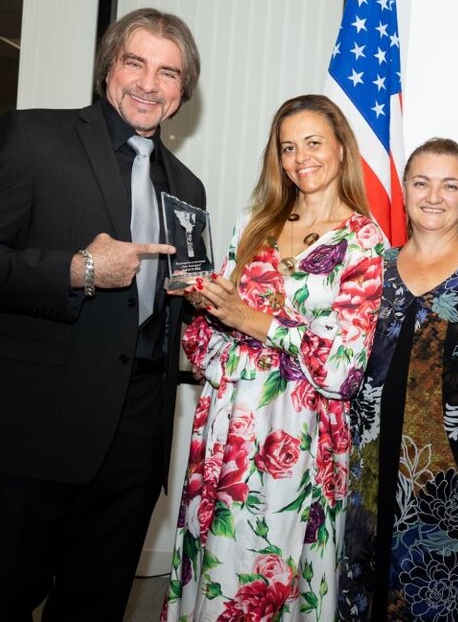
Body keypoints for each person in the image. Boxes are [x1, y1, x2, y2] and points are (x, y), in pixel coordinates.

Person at [0, 7, 205, 620]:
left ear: (182, 91)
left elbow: (172, 309)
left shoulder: (188, 189)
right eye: (135, 63)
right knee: (0, 601)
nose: (149, 84)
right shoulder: (34, 136)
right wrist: (79, 269)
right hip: (34, 418)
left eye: (168, 73)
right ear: (108, 68)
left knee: (95, 604)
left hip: (136, 430)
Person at [162, 94, 385, 622]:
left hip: (300, 433)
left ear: (341, 147)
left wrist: (251, 320)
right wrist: (206, 304)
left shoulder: (364, 241)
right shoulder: (255, 222)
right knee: (216, 559)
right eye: (288, 147)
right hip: (228, 422)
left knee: (272, 571)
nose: (300, 158)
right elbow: (205, 339)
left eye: (313, 142)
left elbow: (342, 368)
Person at [338, 138, 458, 621]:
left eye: (450, 185)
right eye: (422, 183)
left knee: (432, 603)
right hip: (364, 471)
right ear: (405, 189)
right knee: (361, 595)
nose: (434, 196)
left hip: (447, 485)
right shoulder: (376, 266)